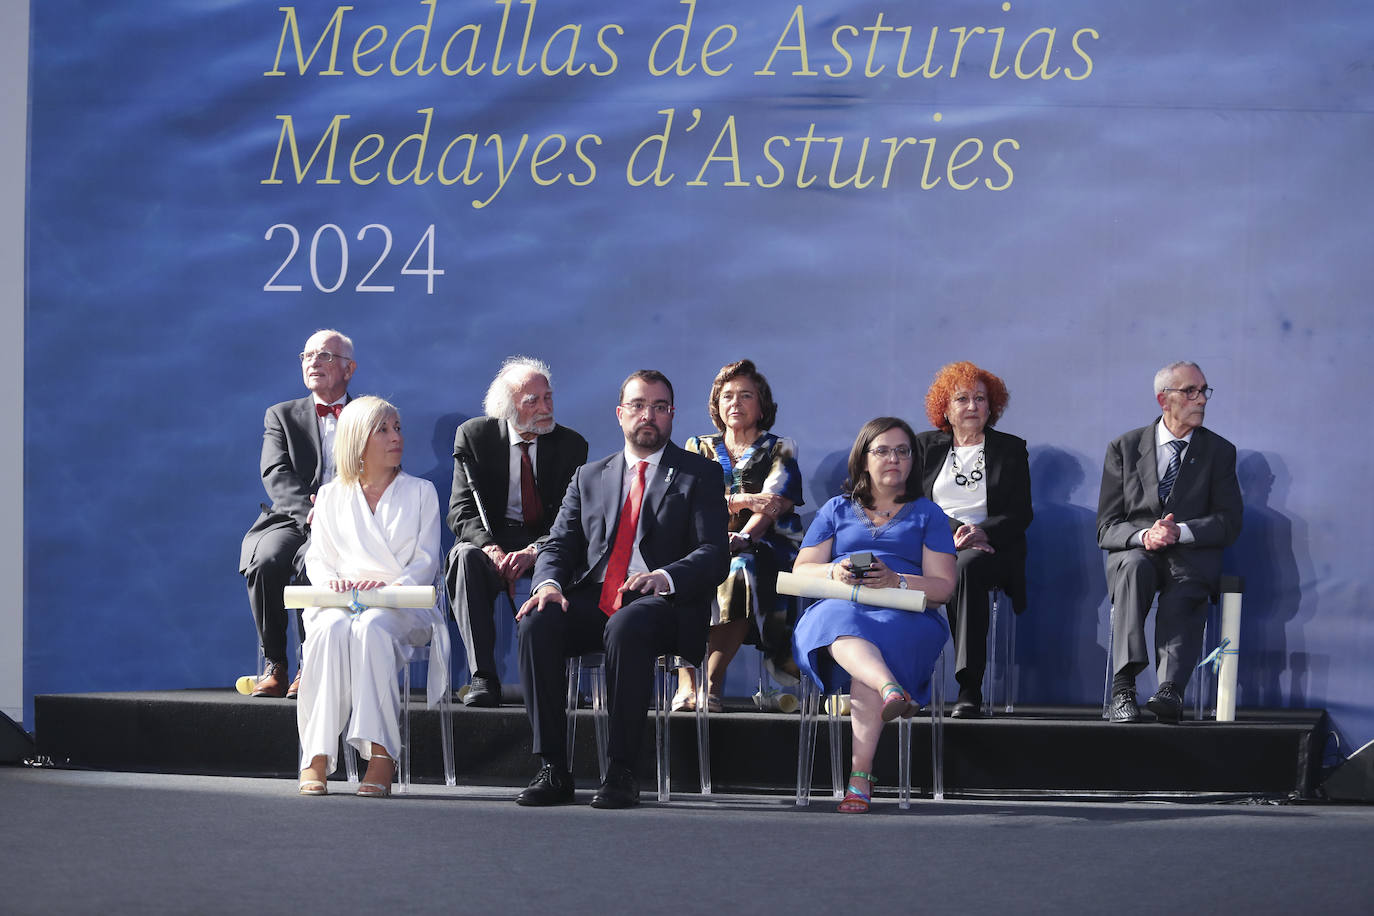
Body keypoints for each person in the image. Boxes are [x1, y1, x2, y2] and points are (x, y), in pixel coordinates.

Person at [514, 370, 729, 809]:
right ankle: (553, 768)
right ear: (619, 414)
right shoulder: (589, 476)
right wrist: (550, 584)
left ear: (672, 415)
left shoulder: (699, 474)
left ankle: (622, 770)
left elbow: (714, 553)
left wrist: (666, 576)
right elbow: (558, 544)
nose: (648, 415)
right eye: (638, 405)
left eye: (659, 407)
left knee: (629, 624)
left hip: (664, 604)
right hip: (598, 597)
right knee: (538, 619)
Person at [791, 417, 956, 813]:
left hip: (906, 614)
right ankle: (889, 691)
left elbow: (942, 588)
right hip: (841, 606)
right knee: (844, 625)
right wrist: (835, 570)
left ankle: (860, 777)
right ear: (863, 459)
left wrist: (895, 580)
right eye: (882, 450)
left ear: (913, 461)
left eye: (902, 451)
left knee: (869, 648)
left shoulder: (928, 514)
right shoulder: (836, 509)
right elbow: (802, 571)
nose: (893, 459)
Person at [295, 396, 448, 797]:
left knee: (373, 627)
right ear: (356, 441)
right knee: (328, 631)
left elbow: (424, 562)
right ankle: (316, 754)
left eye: (397, 428)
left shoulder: (422, 492)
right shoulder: (330, 496)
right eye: (383, 429)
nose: (395, 437)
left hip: (401, 605)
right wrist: (336, 586)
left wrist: (384, 592)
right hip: (340, 604)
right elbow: (319, 559)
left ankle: (381, 754)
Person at [1098, 361, 1242, 723]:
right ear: (1164, 399)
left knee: (1186, 583)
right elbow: (1107, 527)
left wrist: (1182, 531)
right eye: (1190, 391)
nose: (1201, 400)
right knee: (1133, 565)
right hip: (1137, 551)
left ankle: (1170, 691)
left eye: (1204, 391)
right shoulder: (1125, 448)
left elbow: (1229, 522)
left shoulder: (1219, 452)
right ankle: (1123, 687)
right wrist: (1145, 535)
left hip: (1189, 554)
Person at [446, 357, 588, 707]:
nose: (545, 408)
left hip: (544, 541)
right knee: (463, 556)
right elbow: (461, 511)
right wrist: (491, 549)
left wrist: (534, 552)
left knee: (573, 556)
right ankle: (483, 676)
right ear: (508, 408)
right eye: (533, 401)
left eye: (549, 398)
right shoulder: (475, 436)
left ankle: (559, 681)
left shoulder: (572, 445)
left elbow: (571, 517)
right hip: (491, 540)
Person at [678, 359, 804, 711]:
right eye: (728, 396)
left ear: (762, 404)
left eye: (746, 395)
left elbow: (774, 504)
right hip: (704, 542)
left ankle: (711, 683)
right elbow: (686, 502)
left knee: (740, 569)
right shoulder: (697, 447)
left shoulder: (781, 447)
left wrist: (743, 537)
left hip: (765, 545)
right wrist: (743, 498)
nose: (735, 402)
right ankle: (686, 684)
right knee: (677, 574)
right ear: (717, 405)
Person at [239, 329, 356, 699]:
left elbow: (380, 470)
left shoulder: (368, 414)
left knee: (313, 563)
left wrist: (337, 516)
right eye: (307, 356)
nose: (313, 363)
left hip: (350, 523)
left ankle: (311, 664)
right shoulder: (281, 415)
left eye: (325, 356)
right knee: (267, 561)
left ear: (348, 369)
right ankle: (276, 663)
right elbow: (275, 473)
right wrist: (311, 514)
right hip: (292, 518)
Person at [912, 362, 1033, 718]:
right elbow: (914, 504)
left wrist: (981, 532)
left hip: (988, 549)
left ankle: (969, 686)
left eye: (980, 398)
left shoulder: (1011, 449)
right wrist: (952, 531)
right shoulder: (923, 447)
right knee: (898, 565)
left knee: (966, 567)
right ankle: (904, 682)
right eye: (961, 398)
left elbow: (1021, 513)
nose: (972, 406)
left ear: (991, 405)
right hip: (931, 543)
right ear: (945, 409)